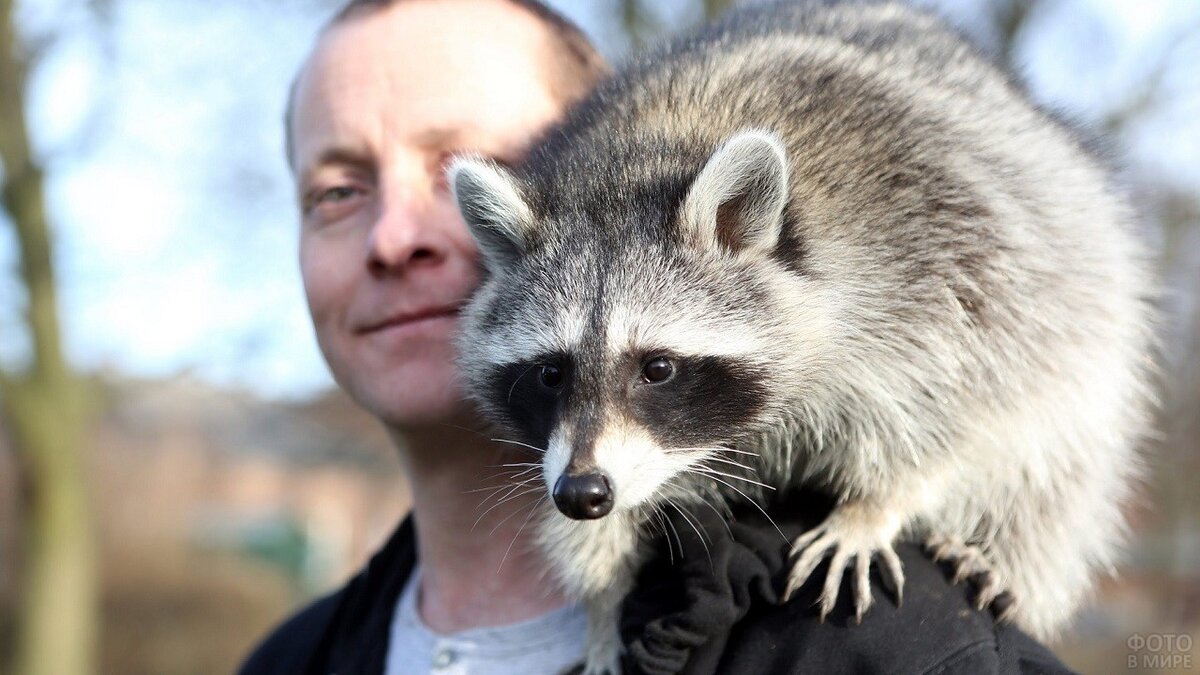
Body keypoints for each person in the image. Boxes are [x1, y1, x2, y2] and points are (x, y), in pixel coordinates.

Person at [240, 1, 1076, 673]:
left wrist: (884, 502)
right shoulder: (291, 657)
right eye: (338, 189)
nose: (396, 236)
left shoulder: (875, 642)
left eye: (464, 161)